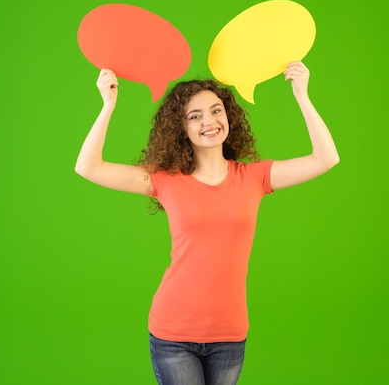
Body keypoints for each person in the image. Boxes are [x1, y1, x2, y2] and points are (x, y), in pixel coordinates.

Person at [75, 61, 339, 385]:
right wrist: (108, 105)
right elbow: (89, 167)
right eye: (195, 116)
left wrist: (302, 95)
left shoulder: (254, 177)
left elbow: (326, 158)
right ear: (180, 128)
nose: (209, 121)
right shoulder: (166, 179)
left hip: (229, 336)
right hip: (173, 333)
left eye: (216, 111)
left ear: (228, 117)